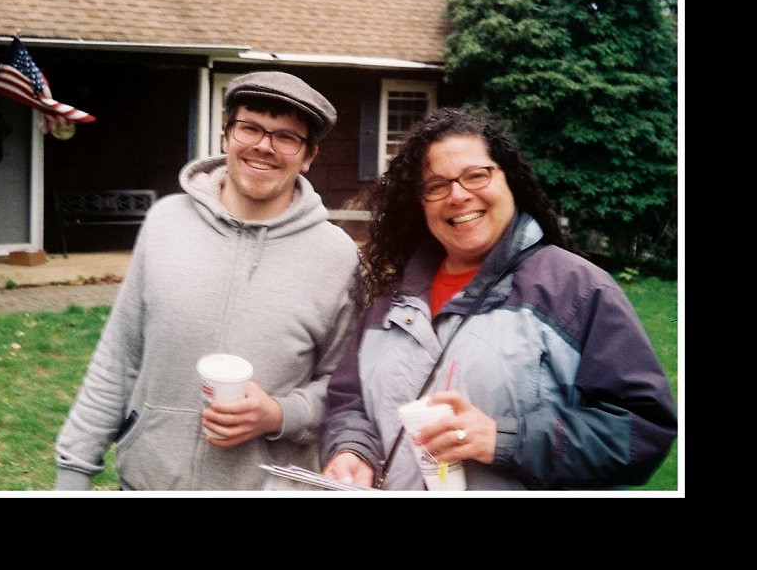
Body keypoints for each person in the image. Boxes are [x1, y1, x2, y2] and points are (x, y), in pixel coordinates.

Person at [320, 107, 677, 490]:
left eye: (476, 175)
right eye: (436, 185)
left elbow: (642, 428)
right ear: (419, 203)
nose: (458, 195)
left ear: (510, 182)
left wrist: (503, 438)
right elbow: (348, 401)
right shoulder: (393, 300)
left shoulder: (576, 288)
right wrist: (350, 449)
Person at [55, 71, 363, 490]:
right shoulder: (166, 222)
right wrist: (72, 473)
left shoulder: (336, 255)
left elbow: (344, 391)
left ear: (309, 156)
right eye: (249, 128)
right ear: (226, 136)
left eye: (286, 136)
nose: (263, 146)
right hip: (149, 481)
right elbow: (118, 357)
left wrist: (278, 414)